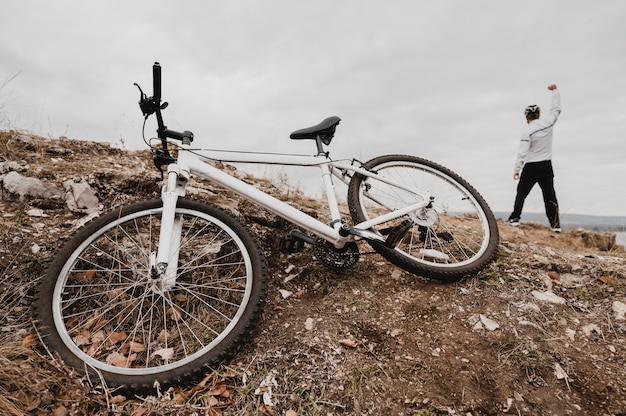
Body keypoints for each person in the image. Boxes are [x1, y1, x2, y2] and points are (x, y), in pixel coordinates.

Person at [506, 84, 562, 232]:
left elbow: (522, 152)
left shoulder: (527, 131)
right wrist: (555, 91)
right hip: (545, 165)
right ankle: (556, 225)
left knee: (522, 193)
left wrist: (516, 169)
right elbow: (556, 109)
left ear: (526, 117)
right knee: (550, 195)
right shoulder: (548, 123)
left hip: (531, 166)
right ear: (538, 115)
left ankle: (515, 218)